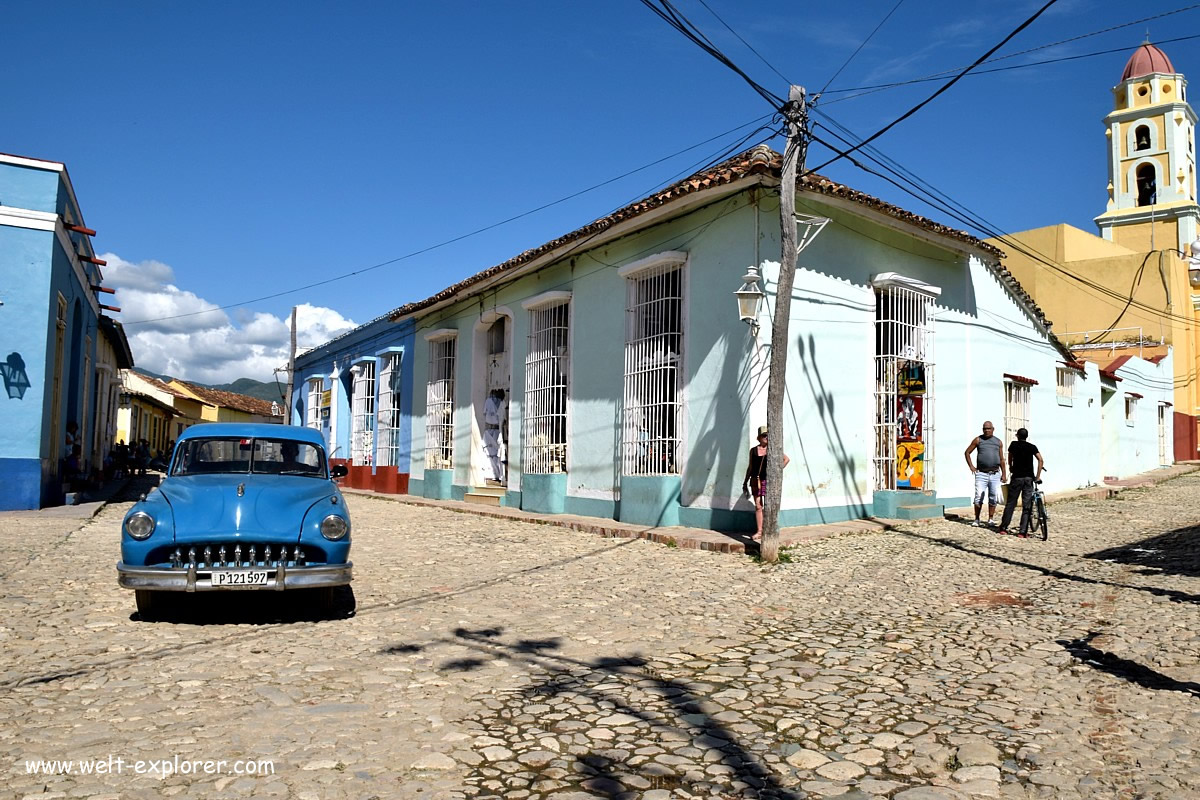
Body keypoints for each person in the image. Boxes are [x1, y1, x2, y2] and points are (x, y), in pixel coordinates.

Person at [742, 425, 790, 543]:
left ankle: (769, 529)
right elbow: (751, 466)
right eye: (764, 435)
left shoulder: (772, 449)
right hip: (755, 480)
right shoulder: (753, 450)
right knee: (758, 506)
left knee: (768, 505)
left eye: (767, 435)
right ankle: (759, 531)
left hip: (768, 481)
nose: (766, 437)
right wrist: (745, 481)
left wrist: (778, 470)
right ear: (759, 438)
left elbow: (786, 459)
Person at [997, 427, 1044, 537]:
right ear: (1026, 436)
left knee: (1011, 503)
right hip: (1028, 478)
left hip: (1017, 477)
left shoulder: (1013, 445)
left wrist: (1011, 468)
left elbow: (1009, 457)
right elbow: (1040, 460)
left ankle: (1003, 527)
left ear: (1017, 435)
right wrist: (1037, 476)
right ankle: (1022, 531)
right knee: (1027, 505)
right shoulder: (1032, 447)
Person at [964, 420, 1006, 527]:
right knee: (978, 496)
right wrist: (971, 467)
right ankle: (977, 519)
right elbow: (967, 452)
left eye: (989, 428)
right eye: (985, 429)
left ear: (993, 429)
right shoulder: (978, 440)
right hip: (981, 473)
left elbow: (1001, 459)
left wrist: (1004, 474)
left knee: (993, 497)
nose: (987, 431)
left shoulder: (998, 442)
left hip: (995, 473)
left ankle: (990, 519)